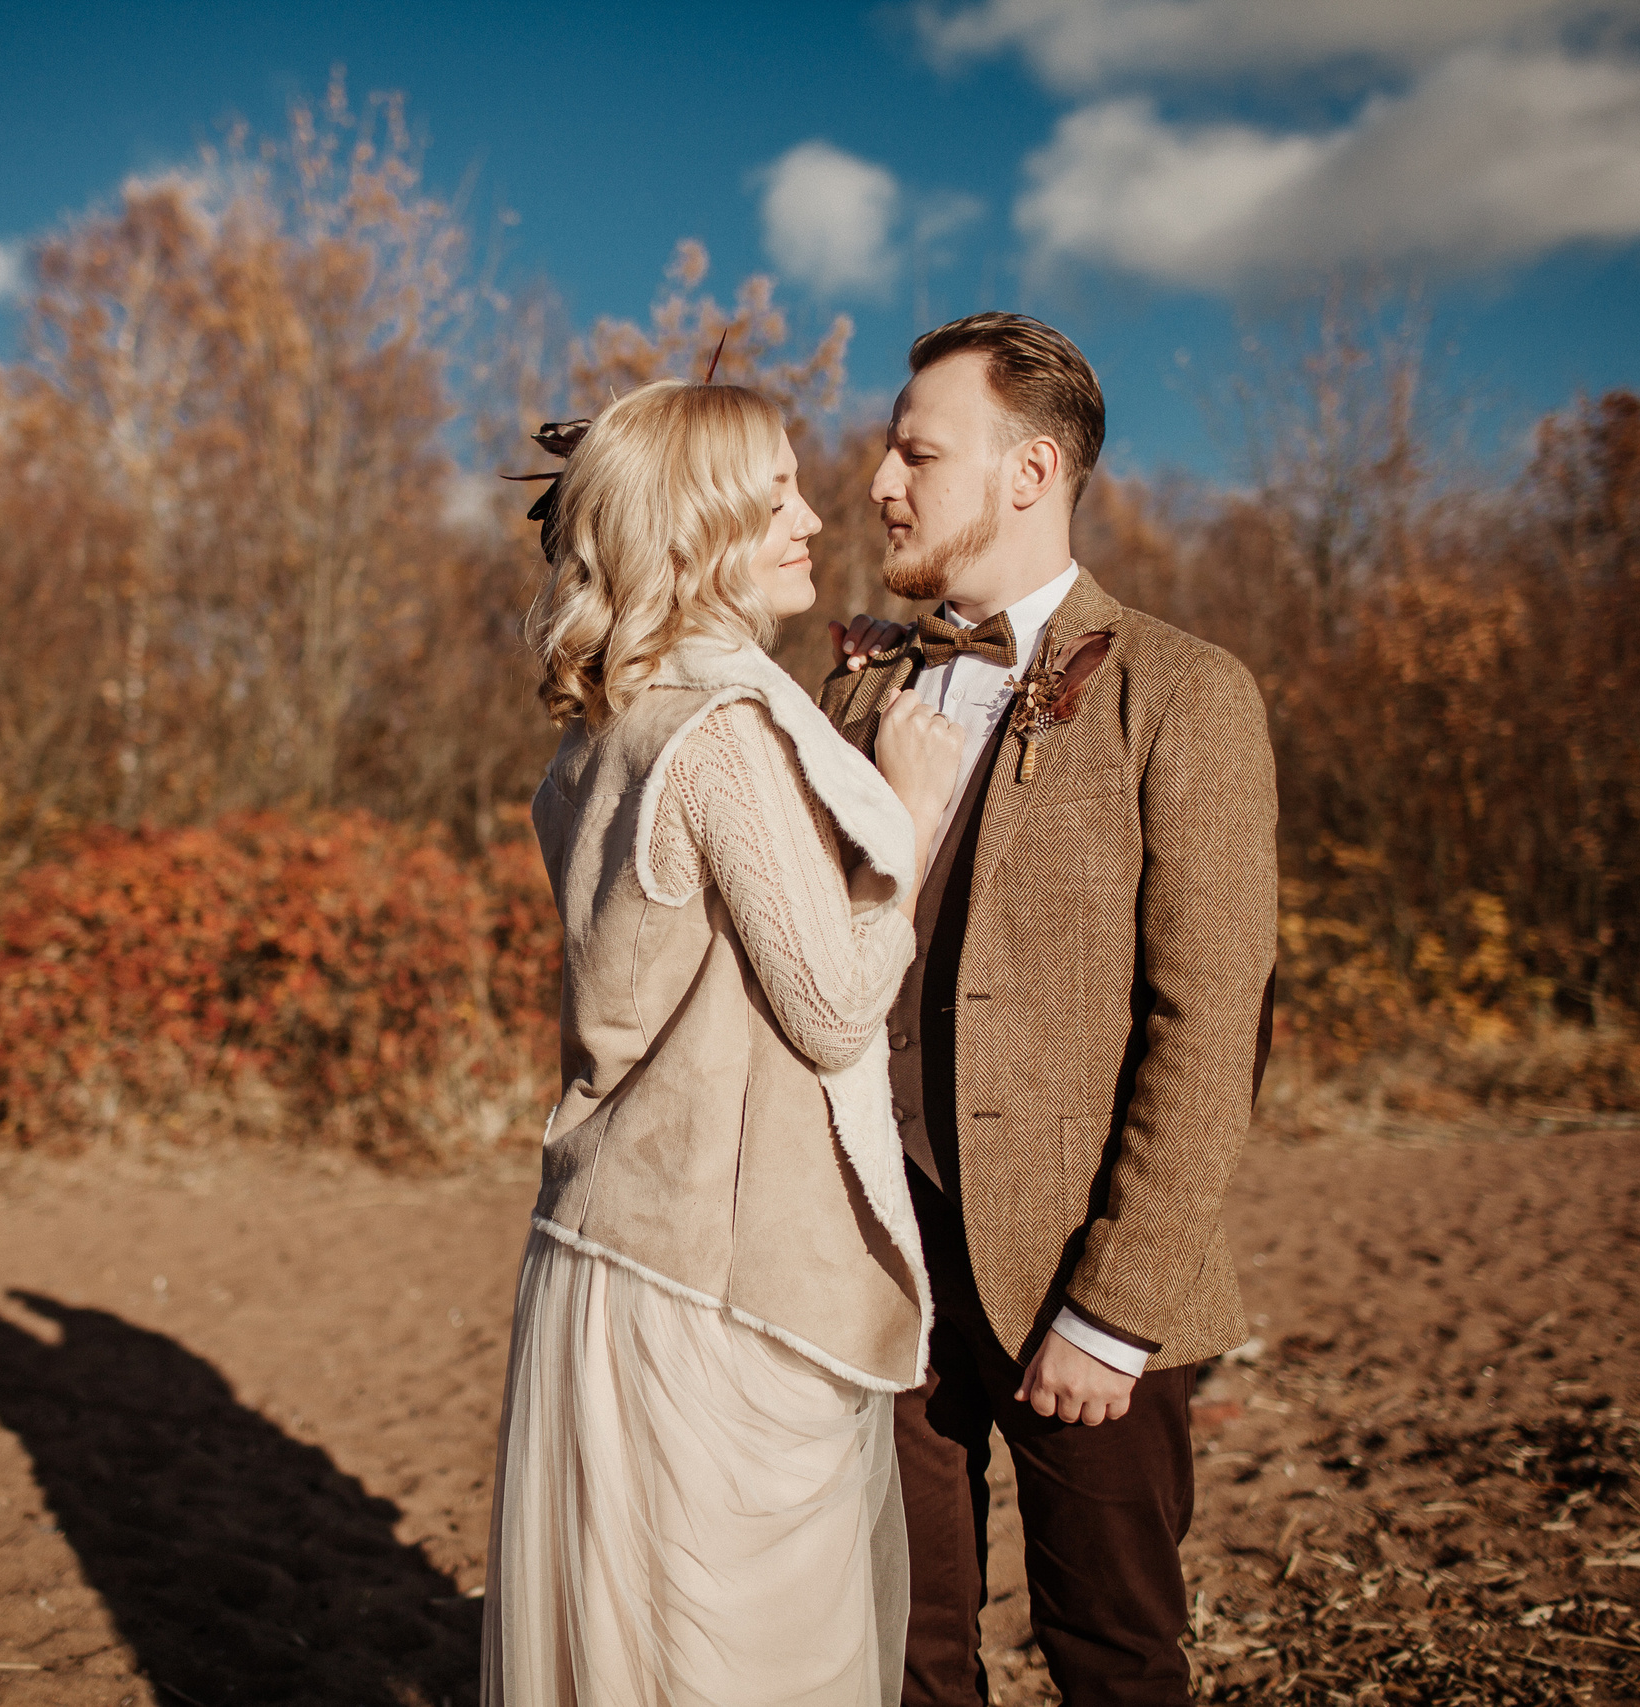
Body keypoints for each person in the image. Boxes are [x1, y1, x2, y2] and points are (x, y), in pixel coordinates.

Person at [482, 376, 973, 1706]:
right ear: (702, 528)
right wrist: (911, 816)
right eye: (776, 501)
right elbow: (829, 1007)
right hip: (714, 1284)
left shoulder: (599, 735)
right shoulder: (725, 737)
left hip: (601, 1252)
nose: (815, 519)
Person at [820, 313, 1278, 1707]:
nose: (881, 482)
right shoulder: (853, 688)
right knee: (902, 1651)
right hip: (878, 1270)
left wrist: (1116, 1310)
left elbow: (1212, 1024)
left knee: (1117, 1660)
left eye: (916, 451)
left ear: (1029, 472)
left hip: (1080, 1289)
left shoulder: (1183, 694)